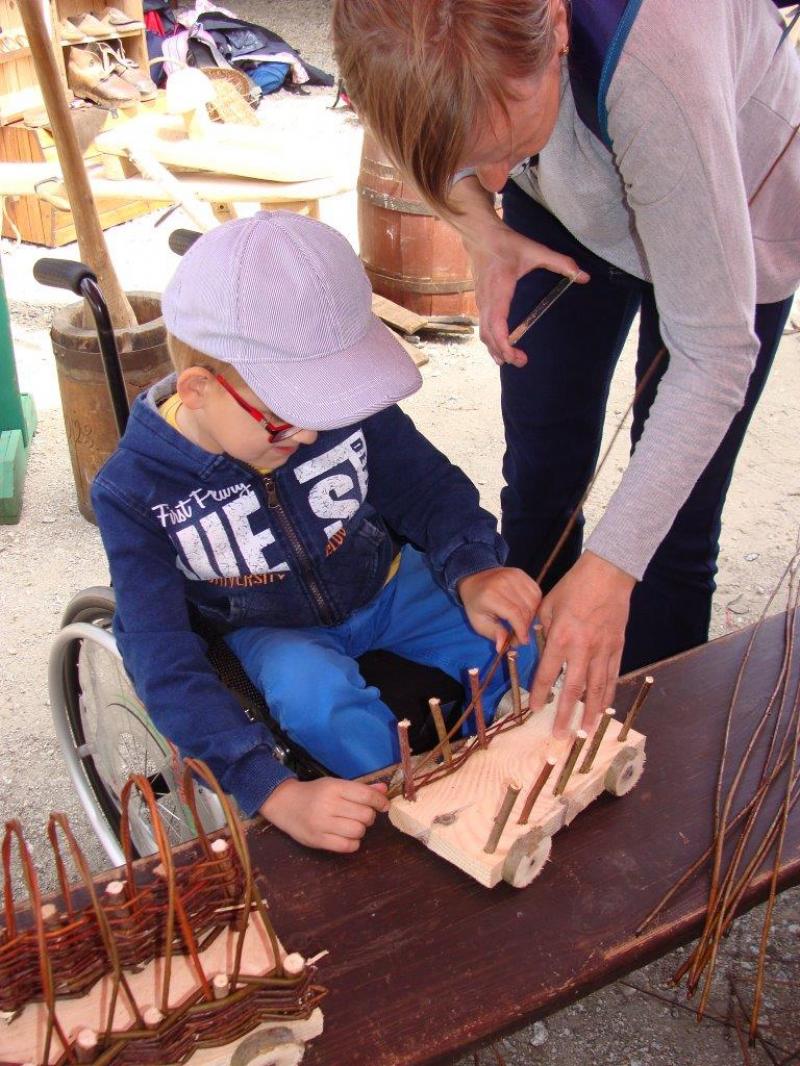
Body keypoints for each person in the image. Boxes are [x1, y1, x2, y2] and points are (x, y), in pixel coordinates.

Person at [332, 0, 800, 736]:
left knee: (666, 530)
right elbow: (447, 145)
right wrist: (481, 226)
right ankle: (532, 716)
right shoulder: (399, 30)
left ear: (555, 26)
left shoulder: (660, 59)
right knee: (543, 472)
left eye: (501, 141)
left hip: (726, 184)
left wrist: (612, 569)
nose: (489, 175)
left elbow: (714, 357)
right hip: (565, 182)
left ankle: (645, 756)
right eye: (469, 154)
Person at [91, 212, 541, 854]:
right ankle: (415, 807)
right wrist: (271, 791)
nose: (307, 436)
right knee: (314, 701)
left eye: (322, 411)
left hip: (388, 581)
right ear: (196, 390)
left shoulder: (327, 411)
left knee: (517, 637)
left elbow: (425, 485)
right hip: (271, 626)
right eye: (283, 422)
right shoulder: (134, 494)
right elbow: (159, 654)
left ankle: (521, 759)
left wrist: (475, 566)